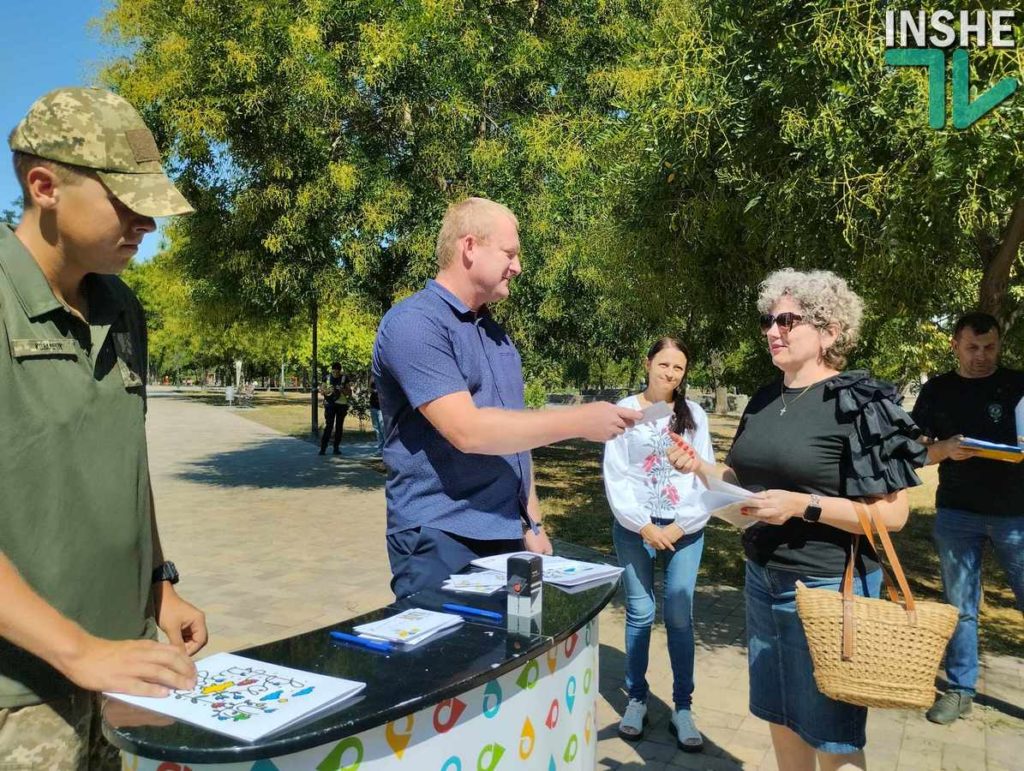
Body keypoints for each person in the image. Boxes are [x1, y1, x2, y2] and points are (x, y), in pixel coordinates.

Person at [1, 87, 207, 769]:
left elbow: (128, 459)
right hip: (20, 695)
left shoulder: (122, 308)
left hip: (123, 666)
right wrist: (79, 651)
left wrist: (160, 583)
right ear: (44, 186)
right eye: (125, 201)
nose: (146, 222)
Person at [667, 269, 925, 771]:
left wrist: (802, 506)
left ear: (829, 331)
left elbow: (894, 514)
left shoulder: (860, 403)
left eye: (787, 320)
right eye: (769, 319)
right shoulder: (764, 398)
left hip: (828, 587)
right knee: (780, 716)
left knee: (834, 736)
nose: (771, 330)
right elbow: (744, 478)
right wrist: (700, 467)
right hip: (761, 578)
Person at [372, 197, 643, 599]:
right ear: (469, 248)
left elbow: (516, 440)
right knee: (451, 663)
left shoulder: (497, 336)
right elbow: (468, 431)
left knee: (506, 659)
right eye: (509, 253)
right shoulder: (415, 323)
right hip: (439, 537)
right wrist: (580, 422)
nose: (517, 266)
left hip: (506, 535)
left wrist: (532, 523)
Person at [910, 312, 1024, 725]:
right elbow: (915, 450)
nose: (981, 356)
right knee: (959, 606)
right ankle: (960, 690)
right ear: (955, 345)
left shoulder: (1018, 385)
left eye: (989, 347)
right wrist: (943, 449)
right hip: (957, 512)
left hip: (1017, 514)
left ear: (999, 344)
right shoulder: (937, 390)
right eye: (972, 347)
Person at [602, 337, 713, 751]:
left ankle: (682, 708)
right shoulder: (625, 412)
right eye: (663, 364)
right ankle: (636, 699)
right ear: (647, 362)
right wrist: (643, 526)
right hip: (636, 529)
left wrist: (680, 527)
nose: (669, 373)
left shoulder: (695, 415)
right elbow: (615, 474)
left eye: (678, 368)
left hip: (685, 530)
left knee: (679, 615)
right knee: (640, 612)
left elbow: (705, 478)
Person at [319, 361, 350, 455]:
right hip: (330, 404)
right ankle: (323, 448)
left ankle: (336, 448)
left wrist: (342, 390)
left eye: (337, 371)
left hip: (341, 405)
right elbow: (321, 391)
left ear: (340, 371)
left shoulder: (344, 378)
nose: (335, 373)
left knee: (339, 427)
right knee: (329, 426)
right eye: (334, 371)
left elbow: (349, 393)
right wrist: (328, 390)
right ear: (331, 370)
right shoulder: (327, 377)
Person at [369, 378, 385, 457]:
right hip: (373, 405)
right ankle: (380, 449)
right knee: (377, 428)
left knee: (383, 428)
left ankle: (386, 449)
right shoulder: (372, 376)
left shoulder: (384, 374)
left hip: (382, 406)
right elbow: (369, 389)